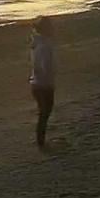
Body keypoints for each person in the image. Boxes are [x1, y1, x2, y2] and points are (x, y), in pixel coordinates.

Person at [29, 16, 57, 148]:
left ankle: (41, 139)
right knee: (45, 112)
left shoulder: (37, 43)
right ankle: (40, 140)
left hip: (37, 82)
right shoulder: (44, 46)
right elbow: (45, 65)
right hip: (43, 84)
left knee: (44, 112)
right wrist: (50, 75)